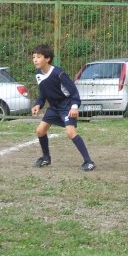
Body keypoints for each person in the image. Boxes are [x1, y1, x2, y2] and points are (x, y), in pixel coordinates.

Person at [31, 44, 95, 172]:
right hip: (54, 108)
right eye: (33, 57)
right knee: (40, 131)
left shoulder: (58, 73)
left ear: (47, 58)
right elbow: (43, 93)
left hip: (66, 106)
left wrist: (74, 106)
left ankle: (89, 162)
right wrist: (38, 104)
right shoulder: (38, 74)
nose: (35, 60)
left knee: (71, 132)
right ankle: (46, 157)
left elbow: (74, 92)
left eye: (38, 57)